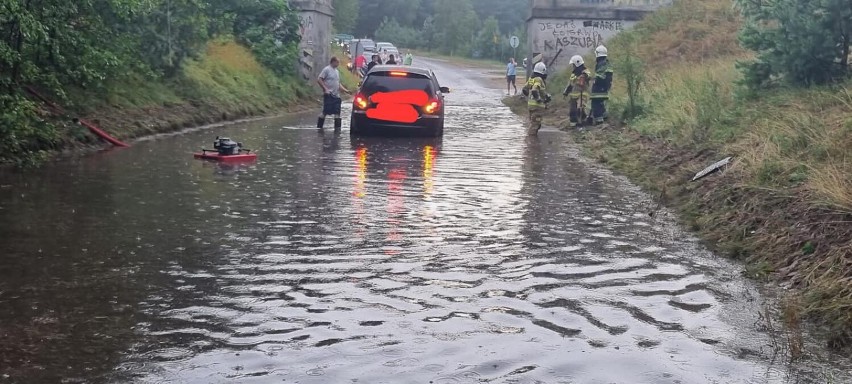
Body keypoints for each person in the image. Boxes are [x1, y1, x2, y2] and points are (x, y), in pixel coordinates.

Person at [317, 57, 351, 131]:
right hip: (329, 94)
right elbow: (319, 79)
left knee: (337, 113)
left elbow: (338, 83)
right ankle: (319, 128)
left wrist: (346, 90)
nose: (338, 64)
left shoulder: (337, 71)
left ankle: (337, 130)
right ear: (333, 62)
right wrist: (325, 89)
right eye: (337, 62)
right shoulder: (326, 69)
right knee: (325, 112)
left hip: (336, 95)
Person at [562, 55, 591, 129]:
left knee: (580, 109)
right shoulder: (573, 74)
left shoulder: (585, 71)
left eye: (573, 65)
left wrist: (583, 75)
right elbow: (570, 84)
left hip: (582, 94)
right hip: (573, 96)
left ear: (577, 64)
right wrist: (566, 92)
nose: (573, 66)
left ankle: (582, 124)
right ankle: (573, 125)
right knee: (572, 111)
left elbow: (588, 75)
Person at [523, 62, 551, 136]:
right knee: (535, 125)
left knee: (535, 124)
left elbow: (524, 89)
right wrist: (538, 99)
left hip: (530, 106)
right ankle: (531, 144)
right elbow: (535, 90)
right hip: (537, 107)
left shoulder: (531, 79)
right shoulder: (539, 79)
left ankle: (531, 142)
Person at [590, 45, 614, 125]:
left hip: (598, 87)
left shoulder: (600, 64)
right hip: (605, 87)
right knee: (601, 103)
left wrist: (594, 81)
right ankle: (604, 115)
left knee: (595, 103)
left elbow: (599, 77)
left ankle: (599, 121)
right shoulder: (608, 63)